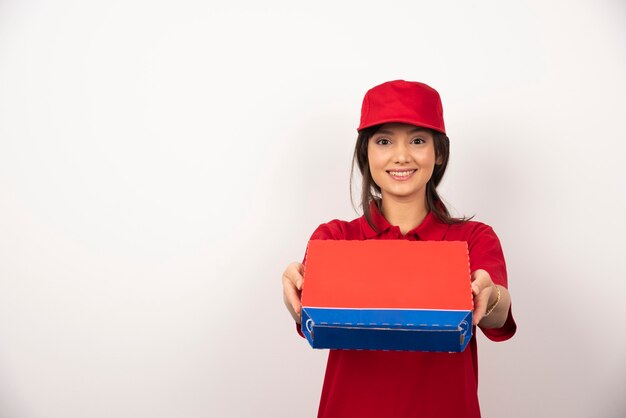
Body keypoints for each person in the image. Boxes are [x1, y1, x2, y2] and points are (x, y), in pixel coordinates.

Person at [282, 80, 516, 418]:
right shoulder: (334, 239)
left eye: (418, 140)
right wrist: (290, 292)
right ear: (366, 153)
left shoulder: (473, 239)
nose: (401, 155)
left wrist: (490, 294)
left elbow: (498, 314)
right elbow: (309, 316)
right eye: (384, 141)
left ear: (438, 153)